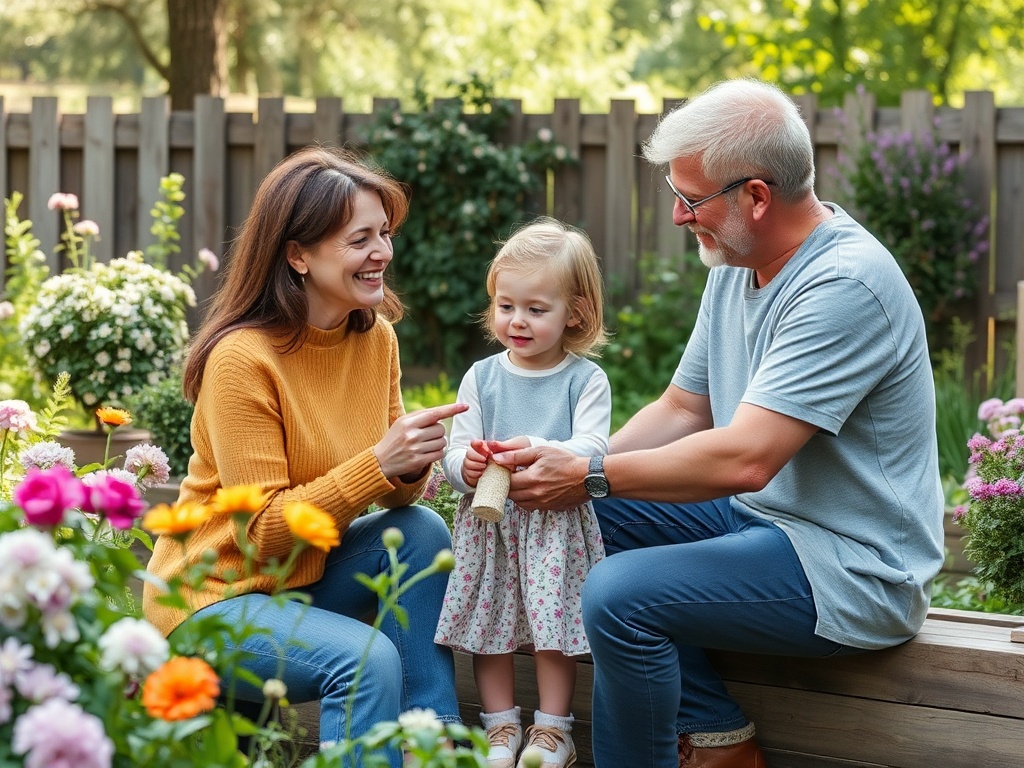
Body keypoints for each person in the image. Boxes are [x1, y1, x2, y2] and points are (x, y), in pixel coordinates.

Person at [490, 79, 945, 768]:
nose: (678, 215)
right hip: (756, 524)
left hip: (849, 567)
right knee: (581, 523)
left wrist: (587, 474)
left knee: (617, 595)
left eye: (691, 198)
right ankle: (717, 740)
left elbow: (745, 460)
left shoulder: (843, 284)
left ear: (756, 197)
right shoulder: (737, 261)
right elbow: (683, 408)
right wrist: (564, 459)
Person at [142, 146, 468, 766]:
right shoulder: (244, 360)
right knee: (367, 661)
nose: (383, 254)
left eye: (385, 234)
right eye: (360, 239)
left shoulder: (374, 339)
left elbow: (394, 494)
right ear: (298, 254)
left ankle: (436, 739)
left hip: (302, 580)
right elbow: (263, 533)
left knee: (421, 528)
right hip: (214, 600)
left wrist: (414, 458)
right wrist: (377, 461)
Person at [434, 218, 612, 768]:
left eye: (537, 309)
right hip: (491, 525)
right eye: (506, 306)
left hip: (553, 523)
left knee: (551, 628)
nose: (518, 321)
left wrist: (534, 444)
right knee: (492, 625)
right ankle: (500, 725)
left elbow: (591, 446)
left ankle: (554, 729)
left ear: (574, 313)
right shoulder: (482, 377)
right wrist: (466, 464)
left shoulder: (584, 380)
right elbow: (455, 450)